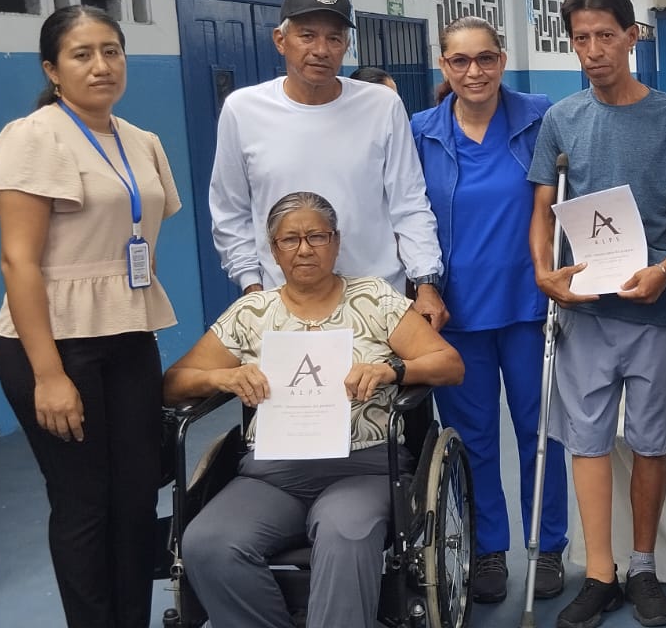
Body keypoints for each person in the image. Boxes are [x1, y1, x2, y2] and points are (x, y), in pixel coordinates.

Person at [0, 4, 180, 627]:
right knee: (84, 502)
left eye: (111, 51)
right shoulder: (33, 137)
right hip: (55, 345)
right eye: (81, 54)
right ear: (52, 69)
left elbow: (141, 233)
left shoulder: (141, 140)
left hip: (129, 335)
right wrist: (49, 374)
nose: (101, 65)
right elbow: (17, 262)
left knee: (136, 498)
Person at [172, 191, 463, 628]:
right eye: (290, 239)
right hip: (272, 474)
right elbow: (175, 381)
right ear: (274, 250)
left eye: (317, 236)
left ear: (336, 242)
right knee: (208, 542)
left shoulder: (374, 300)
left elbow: (450, 364)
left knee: (346, 533)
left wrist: (392, 370)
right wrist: (221, 378)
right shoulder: (252, 313)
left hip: (363, 467)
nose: (304, 249)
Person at [528, 0, 666, 628]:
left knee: (650, 442)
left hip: (654, 308)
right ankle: (600, 574)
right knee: (586, 443)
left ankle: (642, 567)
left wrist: (665, 269)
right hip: (586, 310)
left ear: (632, 37)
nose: (593, 50)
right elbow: (542, 209)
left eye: (605, 36)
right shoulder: (561, 119)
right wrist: (544, 273)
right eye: (581, 39)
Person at [409, 16, 569, 604]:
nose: (473, 71)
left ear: (502, 60)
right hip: (454, 313)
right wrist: (422, 286)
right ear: (444, 65)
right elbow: (408, 215)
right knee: (474, 438)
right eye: (460, 60)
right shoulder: (421, 131)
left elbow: (567, 197)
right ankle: (487, 550)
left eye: (485, 58)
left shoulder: (539, 117)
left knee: (540, 433)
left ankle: (547, 546)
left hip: (529, 305)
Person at [209, 0, 446, 329]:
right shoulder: (243, 110)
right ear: (280, 40)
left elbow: (409, 202)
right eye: (307, 36)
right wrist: (253, 288)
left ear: (346, 46)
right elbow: (230, 211)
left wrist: (426, 282)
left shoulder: (381, 105)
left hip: (377, 301)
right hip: (284, 304)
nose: (321, 49)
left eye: (334, 38)